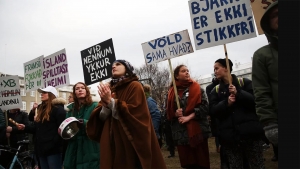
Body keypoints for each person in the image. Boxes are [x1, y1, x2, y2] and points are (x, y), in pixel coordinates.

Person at [86, 59, 167, 169]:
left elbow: (136, 113)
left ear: (127, 69)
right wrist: (106, 105)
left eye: (118, 64)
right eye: (112, 66)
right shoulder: (109, 89)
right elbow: (102, 117)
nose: (113, 67)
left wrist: (111, 102)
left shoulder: (135, 86)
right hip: (112, 139)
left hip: (129, 139)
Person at [209, 58, 265, 169]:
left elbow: (256, 101)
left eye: (217, 68)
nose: (215, 71)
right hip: (230, 138)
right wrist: (226, 103)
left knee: (257, 165)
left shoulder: (244, 83)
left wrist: (238, 93)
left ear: (226, 68)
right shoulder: (215, 91)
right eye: (214, 69)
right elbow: (213, 111)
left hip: (250, 135)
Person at [166, 64, 210, 169]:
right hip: (181, 135)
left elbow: (206, 107)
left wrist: (189, 117)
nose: (187, 72)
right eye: (183, 71)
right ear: (176, 76)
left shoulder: (196, 87)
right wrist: (175, 113)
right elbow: (166, 112)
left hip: (197, 133)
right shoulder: (171, 92)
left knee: (201, 163)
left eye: (187, 70)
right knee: (189, 164)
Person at [252, 0, 278, 162]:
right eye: (275, 15)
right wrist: (270, 123)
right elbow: (261, 91)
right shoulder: (262, 55)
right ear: (268, 23)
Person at [18, 86, 66, 169]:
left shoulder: (59, 110)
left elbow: (62, 130)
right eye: (41, 93)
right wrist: (25, 127)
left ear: (51, 95)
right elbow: (37, 128)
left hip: (53, 150)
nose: (41, 94)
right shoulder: (40, 109)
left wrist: (53, 142)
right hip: (41, 149)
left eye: (44, 93)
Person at [63, 82, 100, 169]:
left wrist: (83, 123)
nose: (80, 90)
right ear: (74, 93)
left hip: (90, 146)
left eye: (82, 88)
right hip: (74, 147)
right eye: (77, 88)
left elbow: (98, 126)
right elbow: (67, 128)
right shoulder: (70, 109)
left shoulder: (95, 106)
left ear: (86, 91)